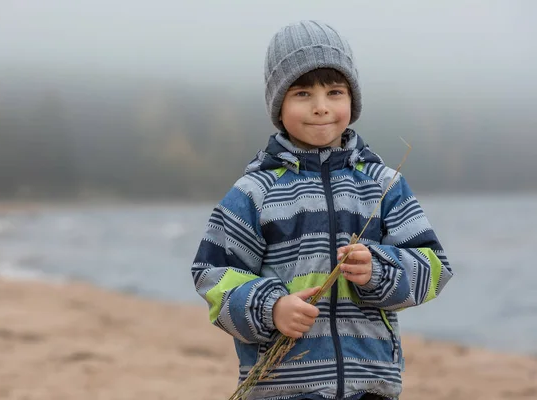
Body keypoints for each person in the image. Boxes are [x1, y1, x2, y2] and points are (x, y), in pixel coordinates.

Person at [191, 20, 453, 400]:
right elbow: (212, 276)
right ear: (278, 105)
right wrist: (271, 307)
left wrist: (378, 270)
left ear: (352, 100)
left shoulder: (384, 185)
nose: (320, 107)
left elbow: (434, 267)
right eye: (302, 94)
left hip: (370, 385)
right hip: (282, 387)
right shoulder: (254, 191)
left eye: (334, 92)